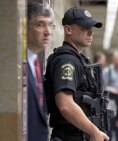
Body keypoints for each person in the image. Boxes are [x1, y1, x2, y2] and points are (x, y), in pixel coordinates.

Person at [44, 7, 109, 141]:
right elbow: (65, 105)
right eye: (84, 28)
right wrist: (94, 132)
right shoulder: (67, 60)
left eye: (92, 28)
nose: (91, 32)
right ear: (68, 29)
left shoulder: (79, 60)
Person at [27, 2, 53, 141]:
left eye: (50, 25)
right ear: (25, 27)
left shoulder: (36, 64)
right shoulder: (15, 67)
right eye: (41, 25)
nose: (48, 31)